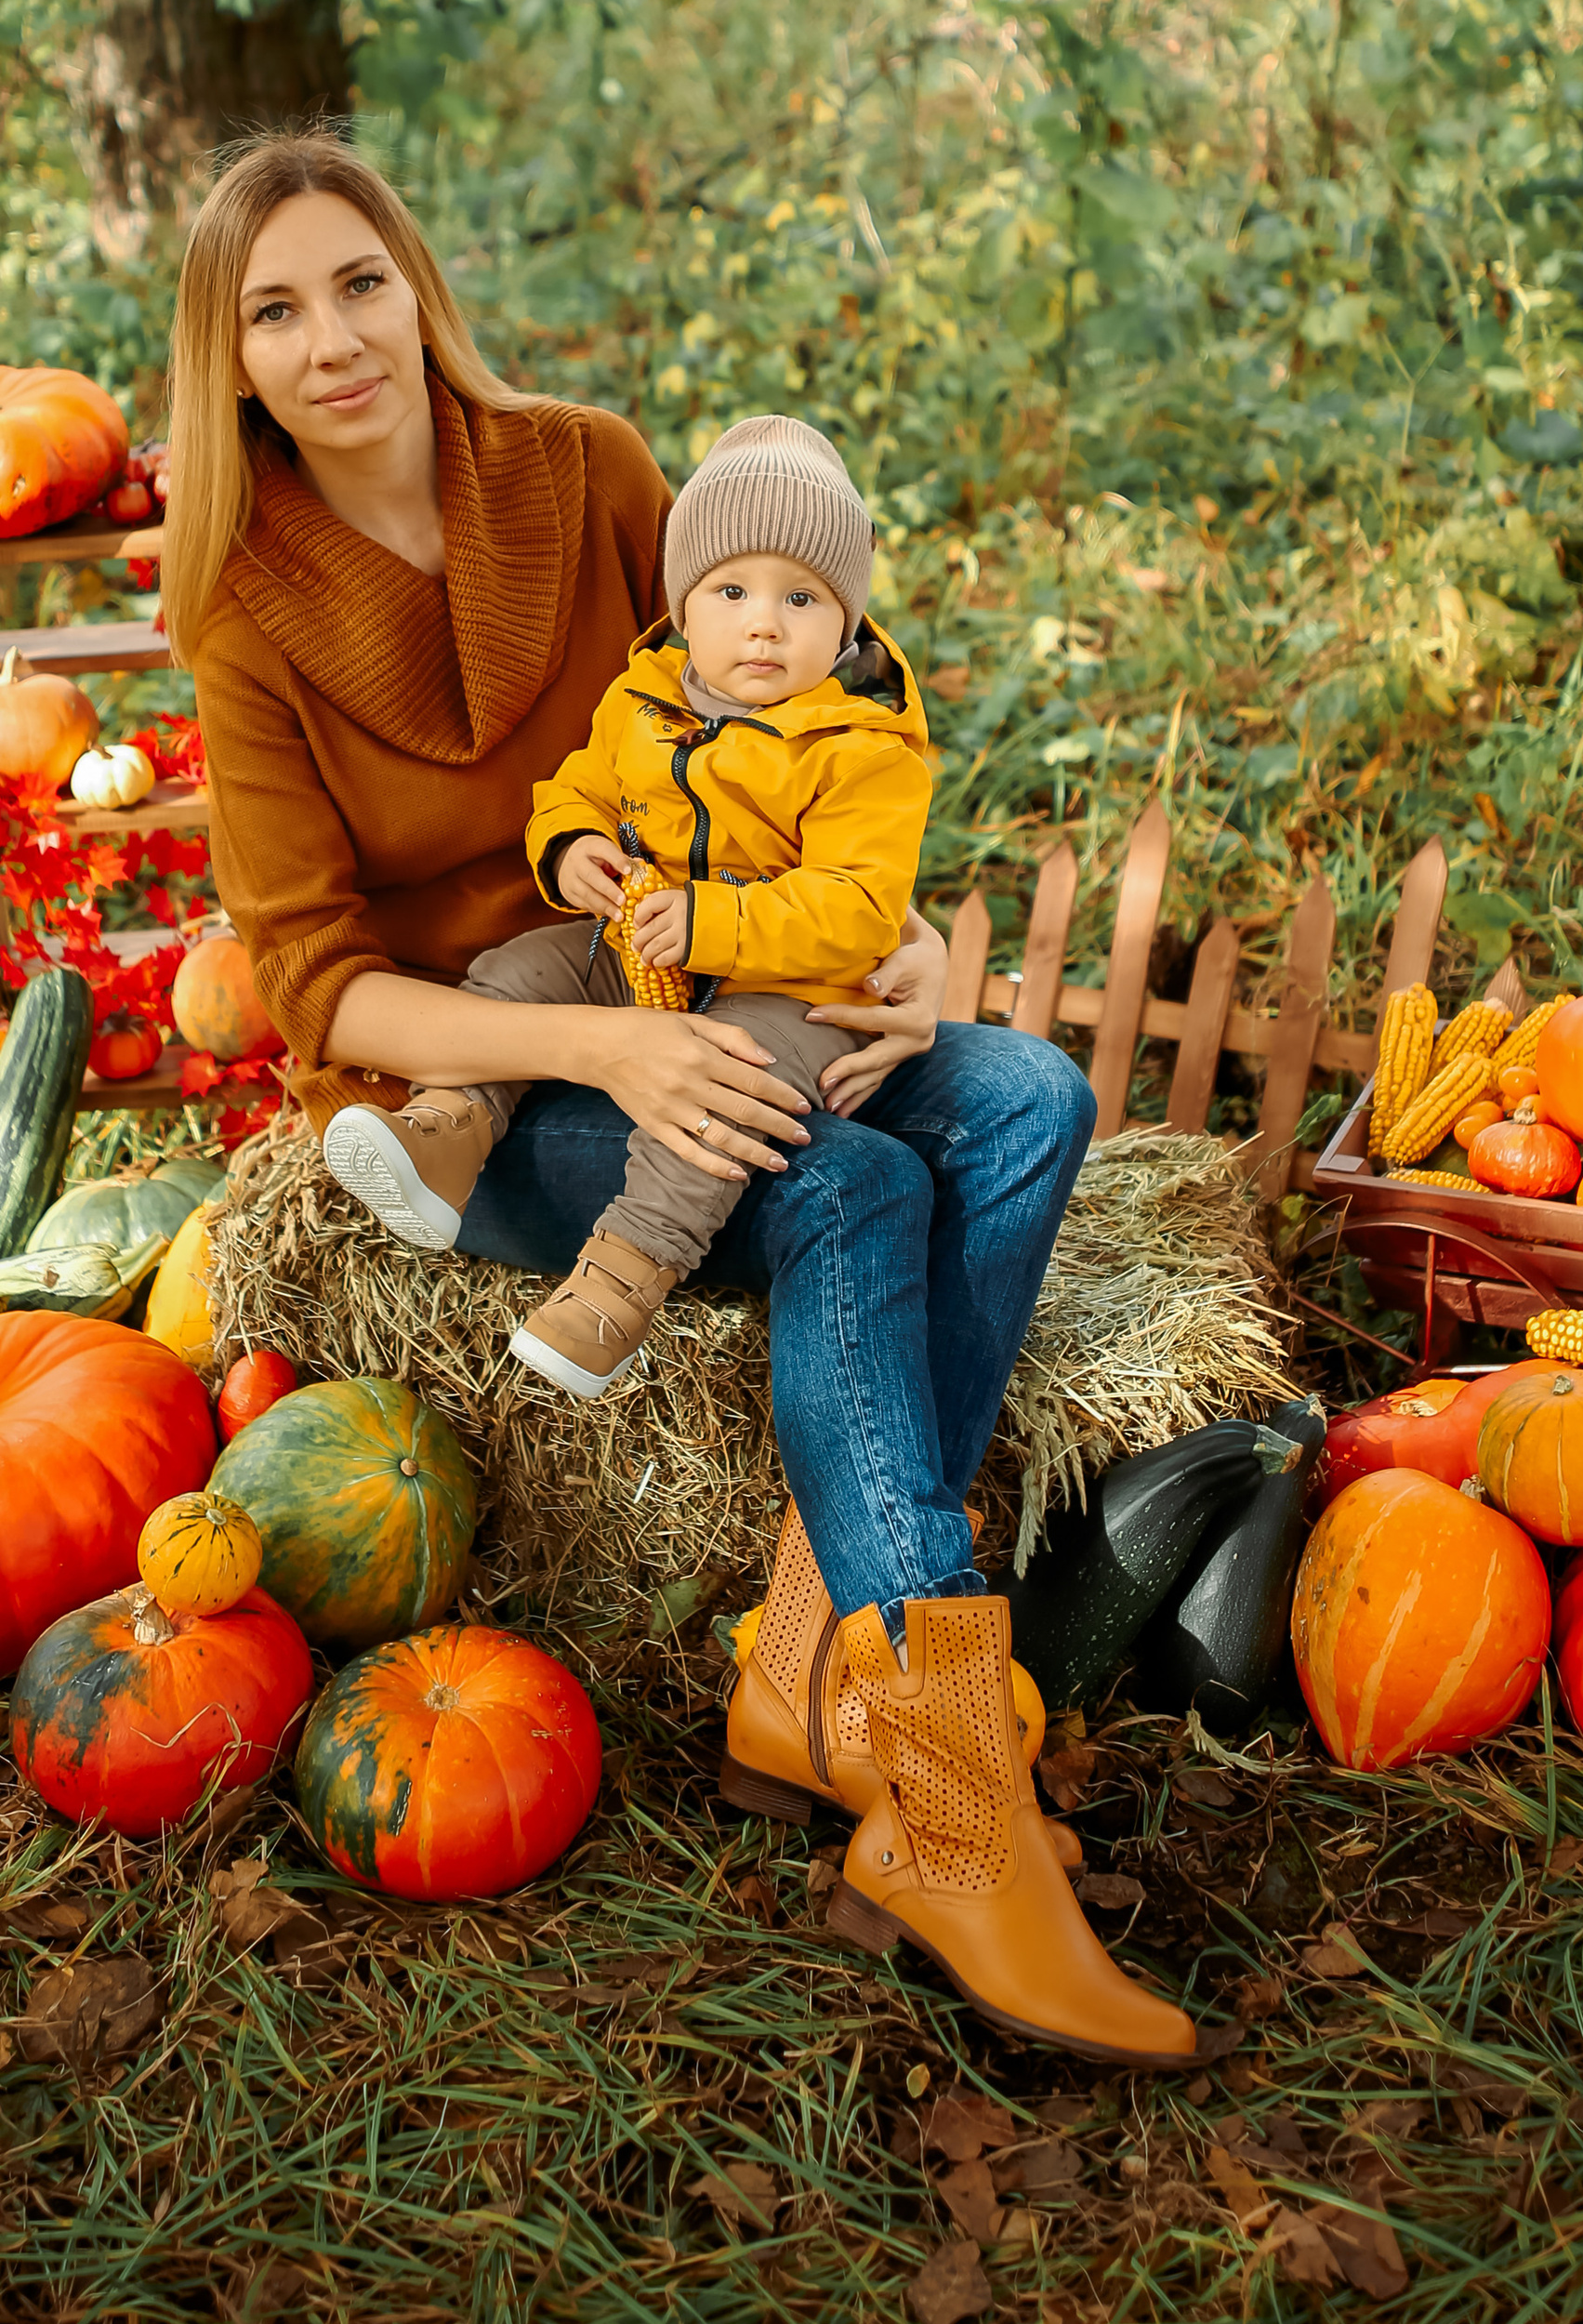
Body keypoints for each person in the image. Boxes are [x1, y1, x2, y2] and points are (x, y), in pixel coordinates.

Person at [163, 129, 1199, 2067]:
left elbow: (797, 694)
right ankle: (953, 1815)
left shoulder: (590, 473)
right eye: (273, 311)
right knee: (843, 1198)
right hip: (472, 1080)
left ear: (417, 285)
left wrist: (896, 962)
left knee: (1025, 1103)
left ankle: (814, 1666)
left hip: (734, 986)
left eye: (357, 283)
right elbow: (314, 985)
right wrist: (609, 1044)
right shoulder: (237, 603)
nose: (331, 341)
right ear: (229, 362)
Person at [321, 415, 935, 1404]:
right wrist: (572, 851)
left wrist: (715, 923)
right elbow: (576, 790)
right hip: (636, 946)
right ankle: (447, 1131)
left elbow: (859, 909)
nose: (764, 622)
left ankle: (621, 1282)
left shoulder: (863, 748)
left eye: (802, 595)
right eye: (731, 590)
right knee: (521, 971)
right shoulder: (641, 699)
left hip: (782, 989)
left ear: (850, 622)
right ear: (686, 606)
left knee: (720, 1095)